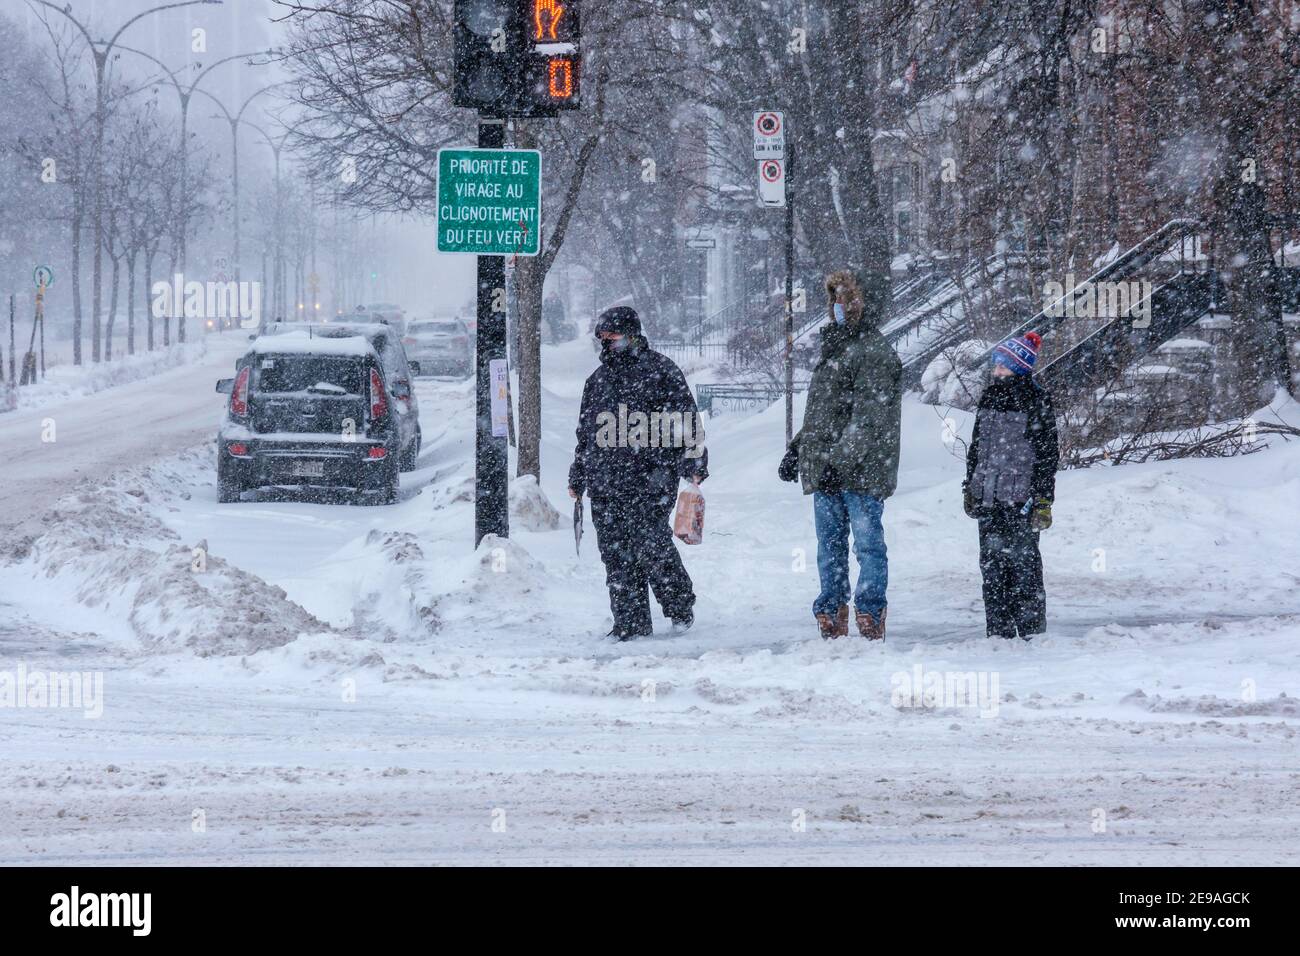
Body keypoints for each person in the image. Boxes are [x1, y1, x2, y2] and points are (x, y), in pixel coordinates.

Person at [568, 307, 708, 640]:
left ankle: (678, 602)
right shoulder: (597, 381)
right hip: (606, 482)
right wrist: (579, 474)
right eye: (602, 338)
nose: (606, 344)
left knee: (651, 543)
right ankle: (630, 622)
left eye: (611, 338)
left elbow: (688, 422)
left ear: (631, 336)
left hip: (651, 476)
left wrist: (694, 464)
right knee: (615, 553)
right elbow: (586, 434)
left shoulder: (661, 372)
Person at [778, 270, 902, 640]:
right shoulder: (835, 348)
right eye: (834, 300)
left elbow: (869, 415)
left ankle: (869, 610)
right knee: (829, 546)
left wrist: (839, 461)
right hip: (827, 466)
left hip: (863, 470)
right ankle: (831, 609)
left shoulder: (874, 352)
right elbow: (824, 412)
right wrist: (799, 450)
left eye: (846, 300)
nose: (838, 307)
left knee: (867, 544)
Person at [962, 331, 1059, 640]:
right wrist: (970, 485)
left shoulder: (1035, 399)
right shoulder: (990, 397)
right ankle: (999, 630)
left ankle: (1032, 629)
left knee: (1024, 564)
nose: (996, 370)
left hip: (1021, 499)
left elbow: (1047, 454)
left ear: (1018, 366)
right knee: (992, 566)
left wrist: (1043, 498)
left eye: (1002, 365)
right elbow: (977, 447)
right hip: (989, 496)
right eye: (996, 365)